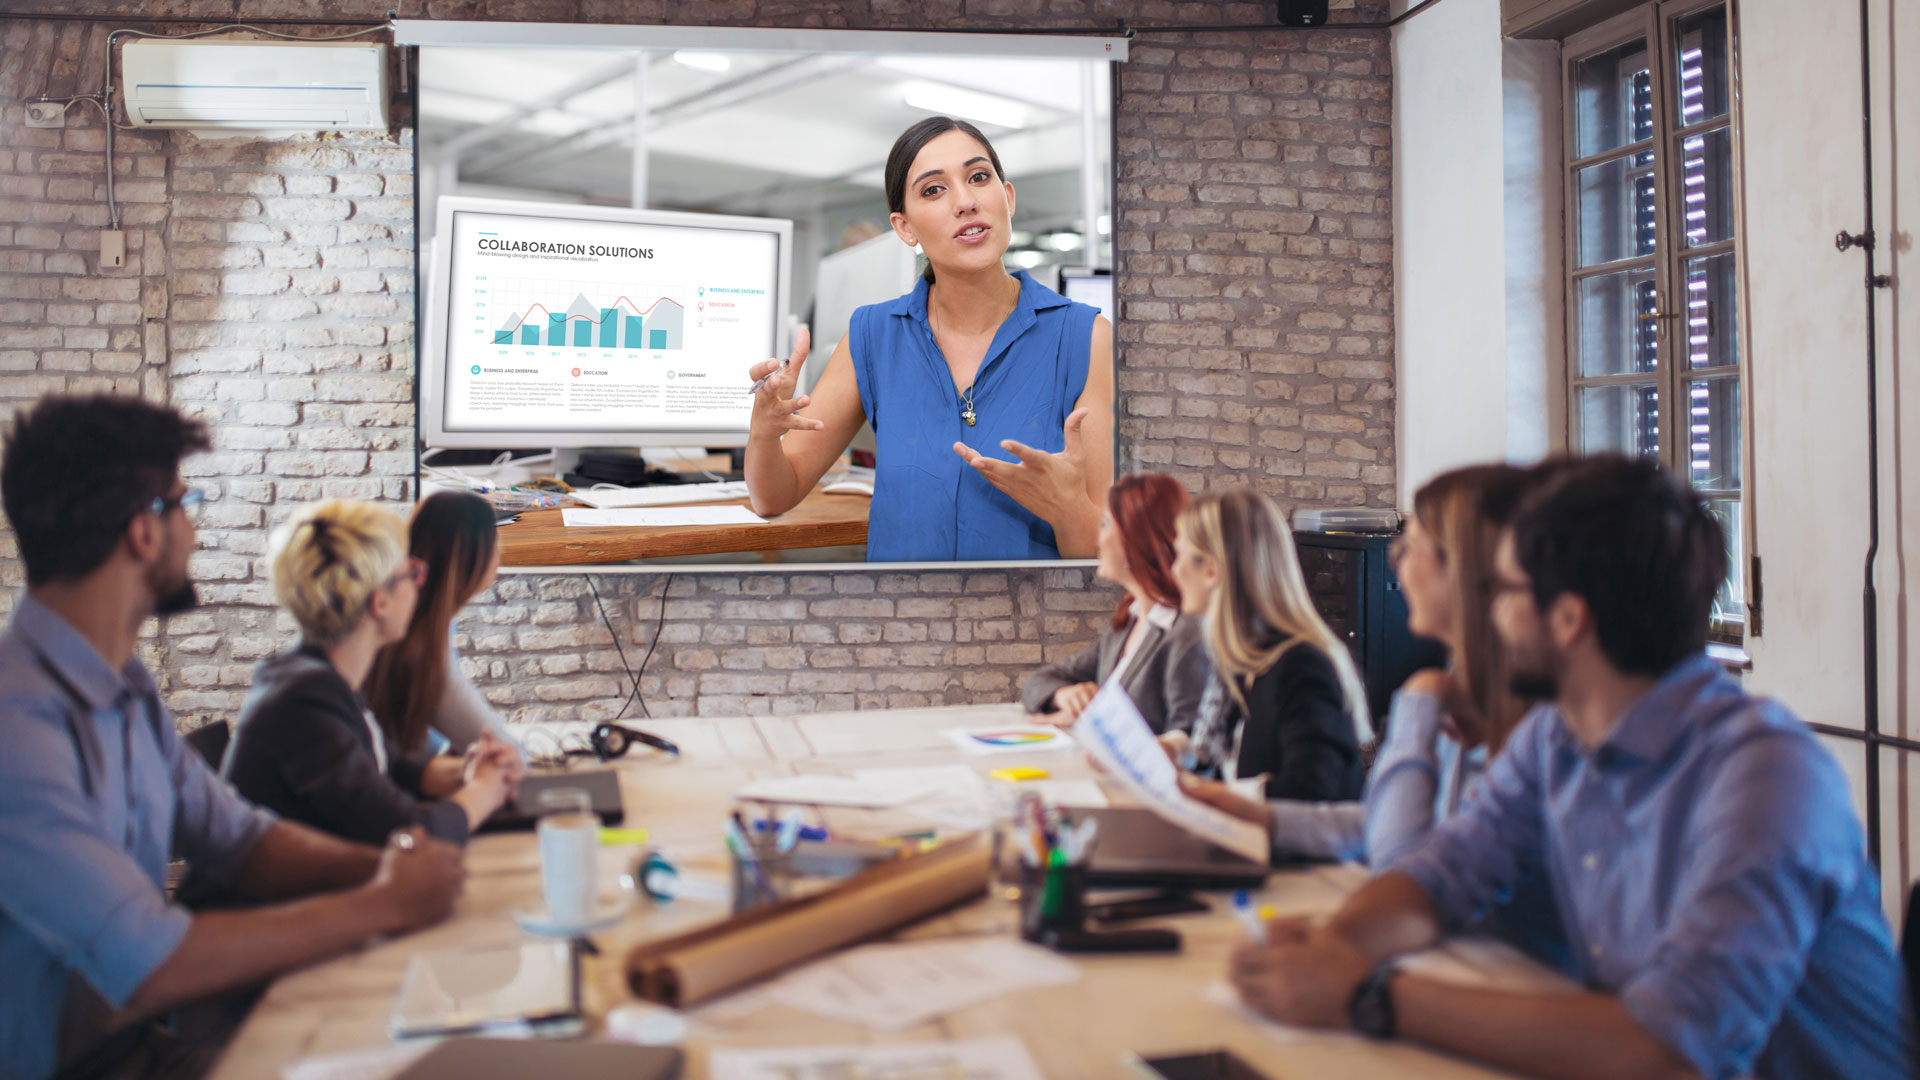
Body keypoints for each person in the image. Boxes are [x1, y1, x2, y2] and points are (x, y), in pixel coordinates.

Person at [1227, 456, 1914, 1080]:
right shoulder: (1556, 739)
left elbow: (1668, 1050)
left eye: (1502, 589)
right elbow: (1440, 873)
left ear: (1567, 620)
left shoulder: (1767, 776)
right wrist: (1334, 947)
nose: (1489, 611)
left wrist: (1369, 994)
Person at [0, 395, 464, 1080]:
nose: (194, 528)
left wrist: (385, 866)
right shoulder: (18, 732)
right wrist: (385, 901)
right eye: (187, 504)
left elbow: (242, 839)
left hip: (133, 1046)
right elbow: (152, 961)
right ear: (144, 532)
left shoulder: (124, 684)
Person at [743, 115, 1116, 562]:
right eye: (933, 189)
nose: (965, 201)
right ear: (905, 228)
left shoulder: (1084, 337)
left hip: (1030, 620)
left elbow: (1106, 559)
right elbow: (773, 498)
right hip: (902, 618)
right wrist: (764, 434)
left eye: (979, 177)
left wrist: (1069, 508)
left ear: (1007, 197)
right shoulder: (873, 335)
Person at [1182, 464, 1547, 865]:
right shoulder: (1461, 683)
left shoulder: (1525, 715)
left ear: (1462, 568)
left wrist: (1420, 703)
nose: (1394, 562)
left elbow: (1404, 858)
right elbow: (1380, 824)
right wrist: (1255, 813)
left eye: (1410, 545)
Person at [221, 500, 520, 850]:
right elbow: (406, 836)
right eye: (413, 573)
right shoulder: (303, 707)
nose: (421, 584)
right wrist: (485, 790)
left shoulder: (319, 680)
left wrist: (467, 769)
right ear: (380, 603)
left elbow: (388, 769)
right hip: (265, 904)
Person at [1161, 489, 1369, 801]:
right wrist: (1174, 747)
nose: (1173, 570)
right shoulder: (1241, 656)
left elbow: (1309, 792)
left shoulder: (1299, 665)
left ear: (1211, 570)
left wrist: (1212, 795)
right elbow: (1216, 754)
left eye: (1178, 555)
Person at [1021, 472, 1210, 733]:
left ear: (1139, 538)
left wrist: (1097, 725)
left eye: (1107, 523)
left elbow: (1190, 742)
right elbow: (1038, 682)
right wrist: (1065, 695)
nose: (1099, 535)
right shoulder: (1129, 620)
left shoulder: (1186, 633)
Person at [365, 490, 518, 761]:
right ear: (475, 558)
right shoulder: (422, 647)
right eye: (496, 544)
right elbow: (507, 755)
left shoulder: (420, 625)